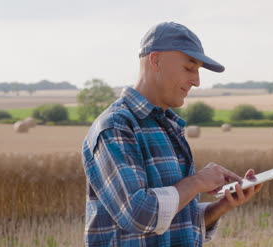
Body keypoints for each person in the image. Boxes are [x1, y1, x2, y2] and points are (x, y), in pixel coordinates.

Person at [81, 21, 263, 247]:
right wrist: (197, 182)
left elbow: (172, 224)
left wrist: (222, 205)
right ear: (155, 60)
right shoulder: (116, 127)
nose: (197, 81)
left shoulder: (168, 127)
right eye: (189, 68)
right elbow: (139, 216)